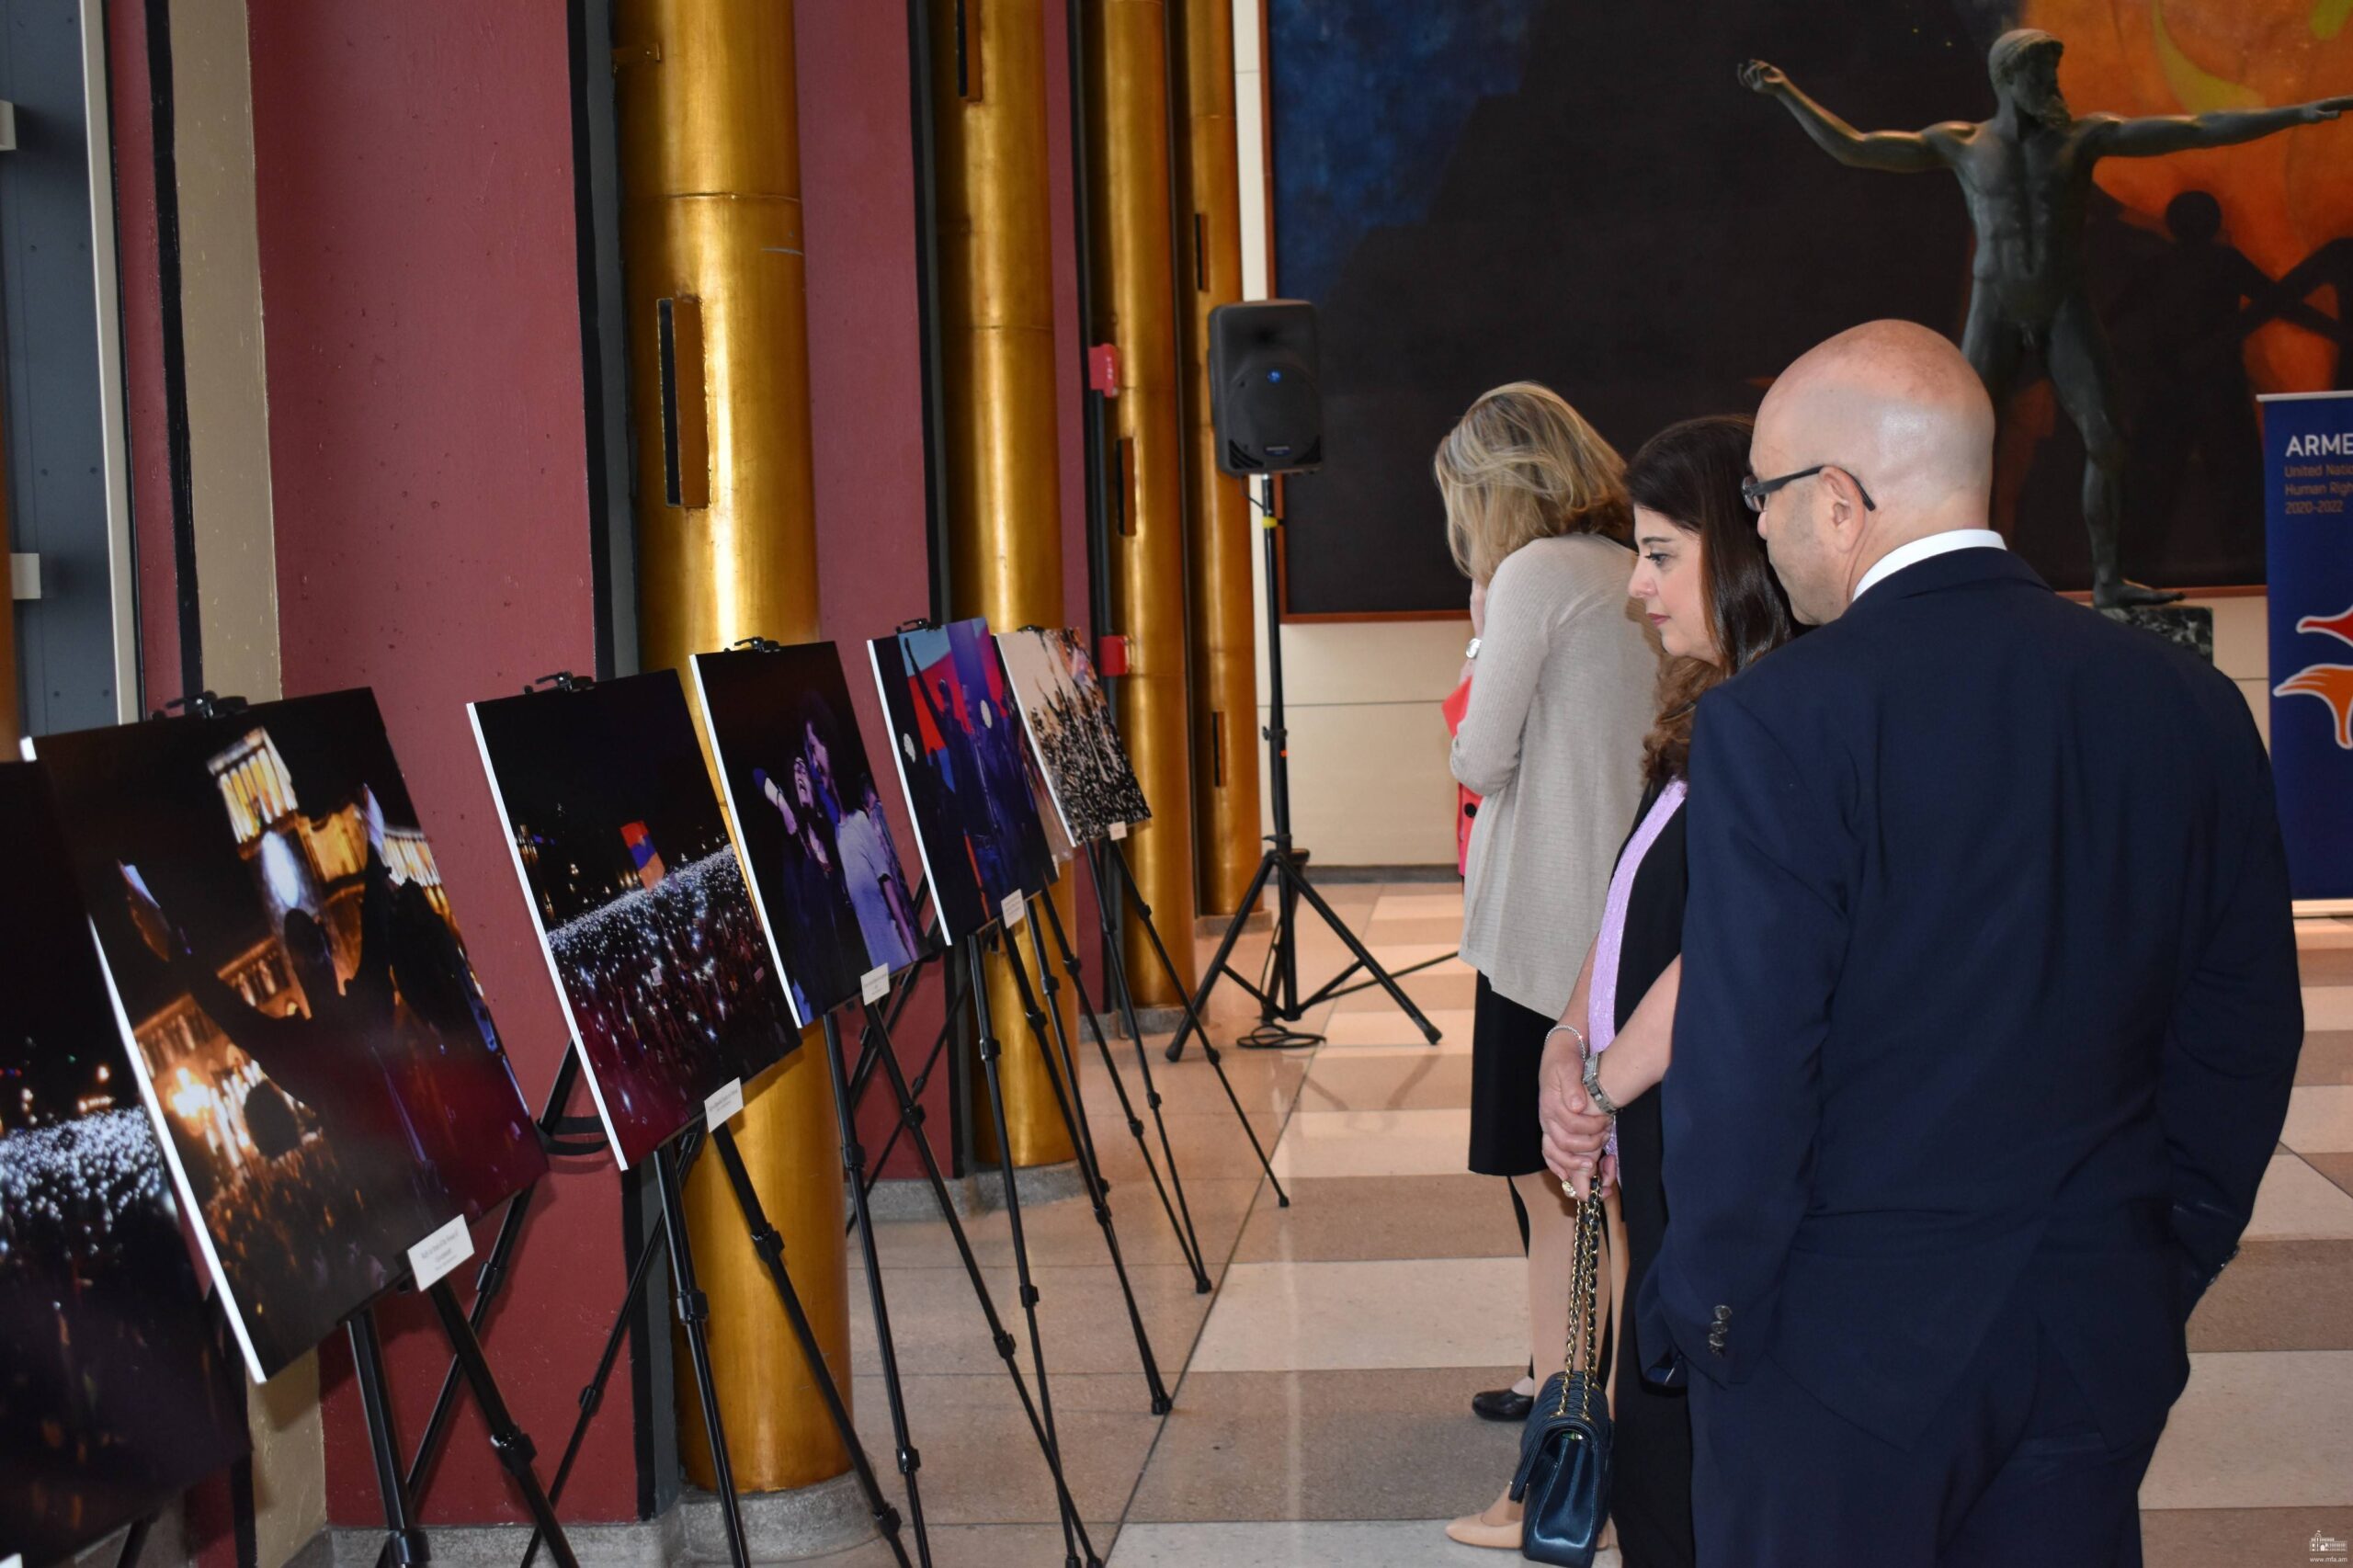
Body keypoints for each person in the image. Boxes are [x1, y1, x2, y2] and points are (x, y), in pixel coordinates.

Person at [1543, 320, 2302, 1566]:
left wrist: (1706, 1310)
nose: (1761, 528)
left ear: (1839, 502)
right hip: (2093, 1326)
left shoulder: (1782, 720)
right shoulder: (2187, 703)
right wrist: (2168, 1252)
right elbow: (2244, 1027)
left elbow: (1750, 1056)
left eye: (1763, 497)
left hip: (1832, 1360)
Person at [1741, 30, 2352, 608]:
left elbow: (2196, 129)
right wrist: (1786, 92)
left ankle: (2108, 579)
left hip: (2063, 306)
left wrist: (2295, 115)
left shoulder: (2082, 138)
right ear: (2010, 77)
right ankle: (1962, 580)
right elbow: (1857, 147)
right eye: (2043, 72)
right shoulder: (1964, 144)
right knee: (1957, 449)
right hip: (1997, 309)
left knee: (2106, 437)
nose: (2053, 84)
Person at [1517, 415, 1796, 1568]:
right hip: (1654, 1132)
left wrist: (1599, 1083)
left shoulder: (1778, 722)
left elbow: (1728, 942)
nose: (1637, 586)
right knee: (1653, 1458)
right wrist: (1561, 1040)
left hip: (1713, 1143)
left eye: (1660, 554)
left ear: (1737, 551)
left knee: (1679, 1472)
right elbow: (1632, 894)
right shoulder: (1701, 705)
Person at [1438, 381, 1656, 1549]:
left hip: (1541, 934)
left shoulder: (1530, 575)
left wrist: (1484, 624)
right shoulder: (1629, 563)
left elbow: (1479, 753)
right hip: (1619, 914)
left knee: (1557, 1191)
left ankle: (1562, 1478)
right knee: (1604, 1197)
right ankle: (1603, 1443)